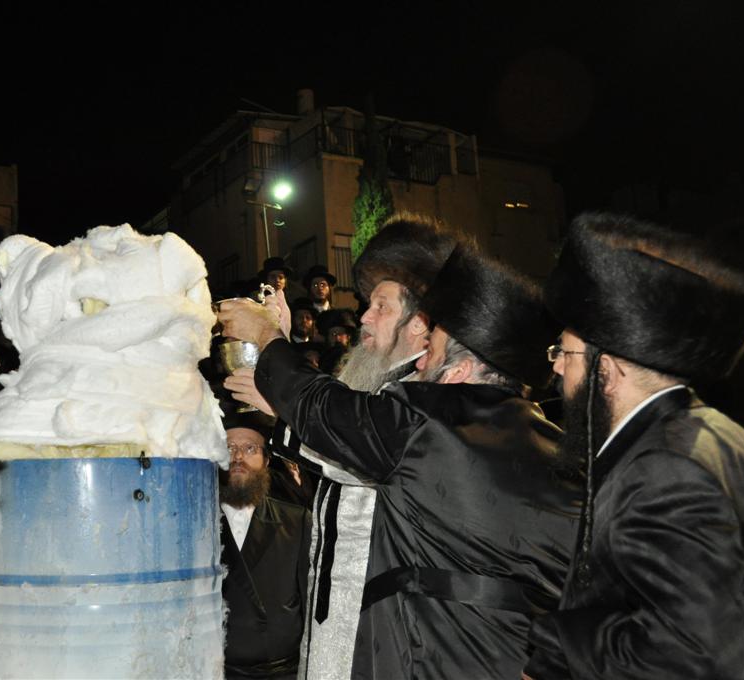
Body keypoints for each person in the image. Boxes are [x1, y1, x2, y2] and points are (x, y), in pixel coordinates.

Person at [220, 241, 583, 679]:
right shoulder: (551, 441)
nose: (421, 361)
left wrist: (268, 336)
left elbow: (328, 415)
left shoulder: (429, 422)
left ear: (458, 372)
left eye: (432, 351)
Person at [523, 213, 744, 680]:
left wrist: (558, 645)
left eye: (564, 354)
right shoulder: (714, 433)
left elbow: (692, 658)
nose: (557, 372)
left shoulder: (665, 473)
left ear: (606, 370)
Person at [227, 215, 456, 680]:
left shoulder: (428, 391)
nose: (365, 316)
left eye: (382, 307)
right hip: (342, 619)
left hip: (389, 625)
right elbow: (337, 439)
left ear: (420, 324)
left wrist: (273, 346)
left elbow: (350, 439)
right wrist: (279, 403)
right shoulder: (383, 387)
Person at [221, 411, 311, 680]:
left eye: (250, 448)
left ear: (266, 461)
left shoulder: (297, 521)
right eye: (229, 448)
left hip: (283, 673)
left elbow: (309, 603)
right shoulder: (194, 526)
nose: (238, 457)